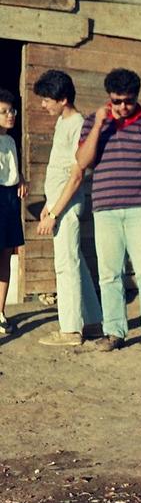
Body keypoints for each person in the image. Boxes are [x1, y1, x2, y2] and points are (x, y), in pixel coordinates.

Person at [76, 68, 141, 352]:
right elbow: (83, 162)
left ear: (137, 97)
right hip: (105, 209)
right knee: (109, 273)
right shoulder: (93, 123)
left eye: (128, 101)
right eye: (117, 101)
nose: (122, 107)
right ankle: (114, 332)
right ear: (109, 98)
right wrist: (98, 125)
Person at [32, 70, 102, 346]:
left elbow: (76, 175)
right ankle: (94, 322)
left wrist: (54, 212)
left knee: (66, 265)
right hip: (58, 202)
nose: (43, 104)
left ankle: (71, 330)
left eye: (47, 99)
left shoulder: (78, 124)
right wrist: (48, 205)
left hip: (67, 205)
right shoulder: (63, 122)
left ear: (63, 99)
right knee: (77, 262)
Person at [0, 88, 27, 336]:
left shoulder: (10, 140)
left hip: (9, 201)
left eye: (12, 110)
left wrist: (21, 179)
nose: (11, 115)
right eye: (4, 111)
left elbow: (11, 172)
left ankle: (0, 312)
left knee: (6, 257)